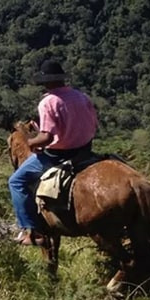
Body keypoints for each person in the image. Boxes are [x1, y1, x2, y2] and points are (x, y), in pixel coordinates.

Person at [7, 58, 99, 246]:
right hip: (85, 150)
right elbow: (93, 124)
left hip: (60, 155)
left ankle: (32, 231)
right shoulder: (82, 97)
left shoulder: (48, 102)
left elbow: (47, 139)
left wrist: (31, 142)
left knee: (16, 181)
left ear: (46, 81)